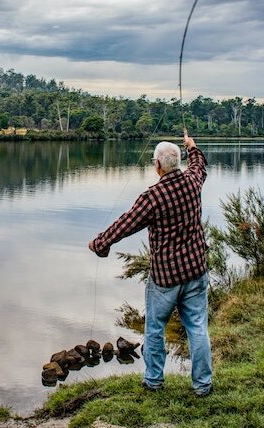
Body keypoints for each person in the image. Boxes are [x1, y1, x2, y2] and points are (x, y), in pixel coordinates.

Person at [88, 132, 212, 396]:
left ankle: (154, 381)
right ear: (177, 162)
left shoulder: (153, 196)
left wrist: (101, 243)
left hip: (165, 278)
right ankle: (202, 385)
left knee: (155, 329)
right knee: (198, 328)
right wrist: (192, 147)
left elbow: (126, 223)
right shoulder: (192, 181)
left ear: (157, 166)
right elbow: (199, 165)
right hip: (196, 271)